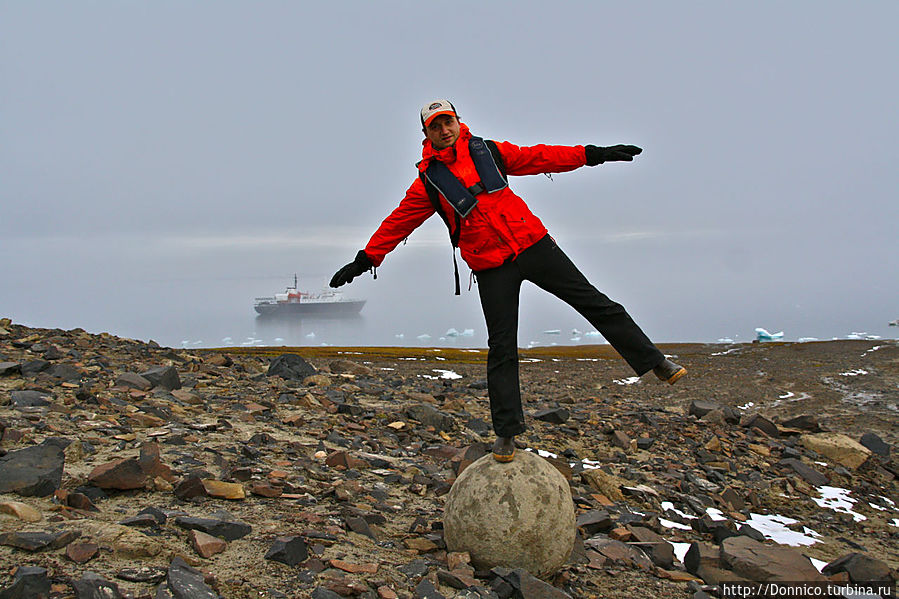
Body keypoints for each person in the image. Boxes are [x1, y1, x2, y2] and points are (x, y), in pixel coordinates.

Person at [330, 99, 685, 463]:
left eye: (447, 121)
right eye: (435, 126)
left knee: (596, 303)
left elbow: (540, 157)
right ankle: (506, 433)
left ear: (458, 121)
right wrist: (365, 259)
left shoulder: (490, 151)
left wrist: (592, 154)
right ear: (426, 134)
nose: (444, 130)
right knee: (502, 347)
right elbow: (398, 221)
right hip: (490, 266)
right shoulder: (428, 181)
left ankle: (656, 362)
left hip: (533, 245)